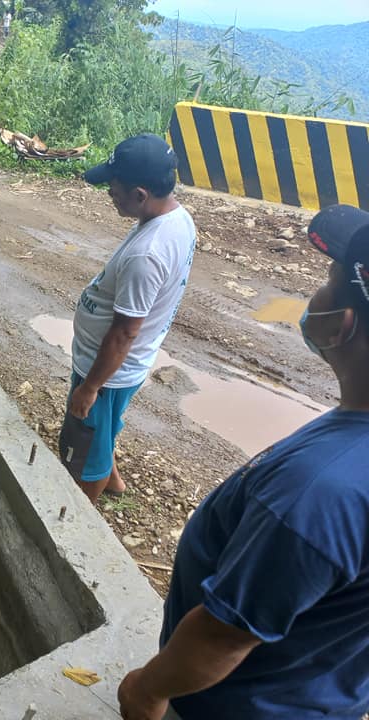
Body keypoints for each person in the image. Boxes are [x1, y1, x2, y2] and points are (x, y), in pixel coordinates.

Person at [117, 203, 369, 720]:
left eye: (328, 279)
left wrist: (146, 691)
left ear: (342, 325)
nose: (315, 295)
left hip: (239, 704)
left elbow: (222, 635)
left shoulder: (319, 492)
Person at [59, 134, 196, 503]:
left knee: (87, 451)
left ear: (140, 194)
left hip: (104, 373)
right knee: (102, 431)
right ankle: (116, 484)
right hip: (116, 369)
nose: (109, 194)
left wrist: (89, 387)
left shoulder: (147, 255)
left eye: (113, 189)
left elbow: (123, 333)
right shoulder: (178, 219)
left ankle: (78, 517)